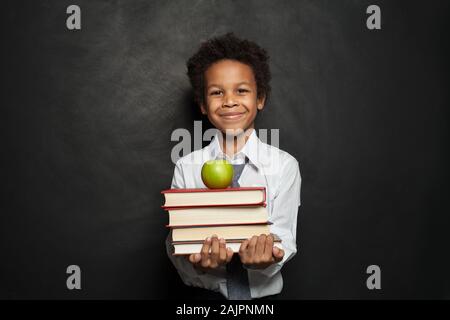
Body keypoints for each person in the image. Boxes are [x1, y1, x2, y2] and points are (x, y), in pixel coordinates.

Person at [166, 32, 301, 299]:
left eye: (241, 90)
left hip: (264, 300)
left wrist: (269, 257)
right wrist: (196, 263)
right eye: (217, 92)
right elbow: (175, 241)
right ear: (203, 105)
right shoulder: (186, 167)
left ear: (260, 98)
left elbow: (285, 237)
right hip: (203, 300)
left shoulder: (284, 166)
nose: (229, 101)